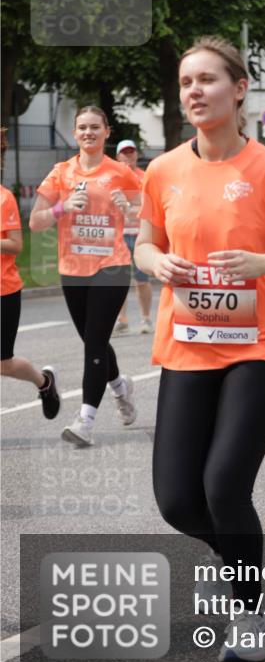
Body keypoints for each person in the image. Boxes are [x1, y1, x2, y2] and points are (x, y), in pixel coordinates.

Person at [134, 37, 265, 662]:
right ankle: (237, 563)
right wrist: (156, 262)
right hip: (187, 346)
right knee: (176, 501)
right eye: (186, 82)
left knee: (224, 486)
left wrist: (262, 262)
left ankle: (247, 615)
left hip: (260, 348)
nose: (194, 91)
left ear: (239, 89)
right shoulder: (163, 170)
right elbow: (143, 243)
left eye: (208, 79)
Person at [29, 106, 139, 446]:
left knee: (93, 341)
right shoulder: (61, 172)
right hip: (73, 269)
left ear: (107, 132)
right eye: (82, 127)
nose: (88, 132)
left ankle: (85, 421)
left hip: (112, 265)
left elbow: (152, 215)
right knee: (95, 340)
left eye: (95, 127)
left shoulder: (122, 173)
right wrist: (61, 207)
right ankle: (120, 387)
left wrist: (128, 208)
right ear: (75, 133)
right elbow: (35, 222)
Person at [1, 128, 60, 418]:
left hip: (4, 290)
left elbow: (15, 245)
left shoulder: (4, 199)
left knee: (3, 363)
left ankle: (44, 383)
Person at [113, 139, 153, 335]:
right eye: (124, 152)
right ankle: (122, 320)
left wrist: (128, 207)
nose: (129, 155)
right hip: (118, 236)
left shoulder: (145, 178)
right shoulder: (112, 178)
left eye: (131, 151)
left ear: (136, 154)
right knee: (119, 281)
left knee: (142, 280)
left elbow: (149, 207)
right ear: (117, 156)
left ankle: (146, 319)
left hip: (139, 235)